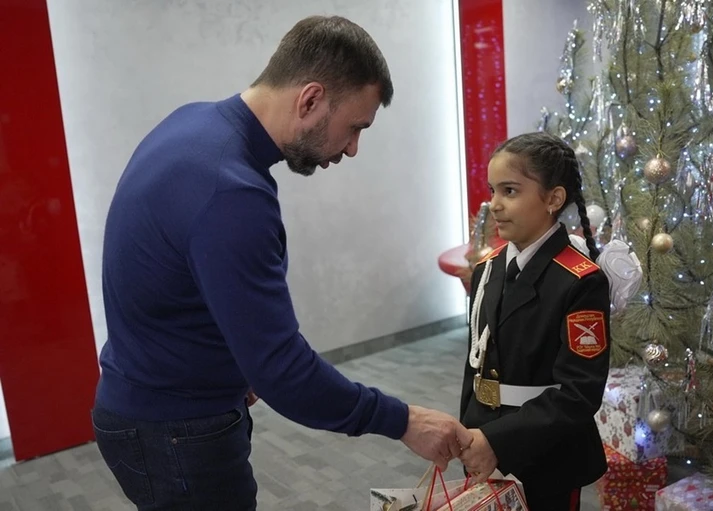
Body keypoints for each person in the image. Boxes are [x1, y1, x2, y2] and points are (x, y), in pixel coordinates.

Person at [91, 15, 471, 510]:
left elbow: (174, 282)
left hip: (148, 404)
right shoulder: (230, 191)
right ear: (310, 100)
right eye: (355, 127)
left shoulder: (195, 124)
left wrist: (236, 365)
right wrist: (404, 421)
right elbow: (284, 372)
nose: (353, 148)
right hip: (176, 430)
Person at [457, 132, 611, 510]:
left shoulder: (579, 281)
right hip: (483, 436)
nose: (494, 205)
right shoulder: (487, 269)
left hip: (547, 454)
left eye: (510, 191)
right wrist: (468, 435)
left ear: (553, 199)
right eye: (492, 191)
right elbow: (476, 363)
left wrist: (496, 441)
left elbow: (578, 393)